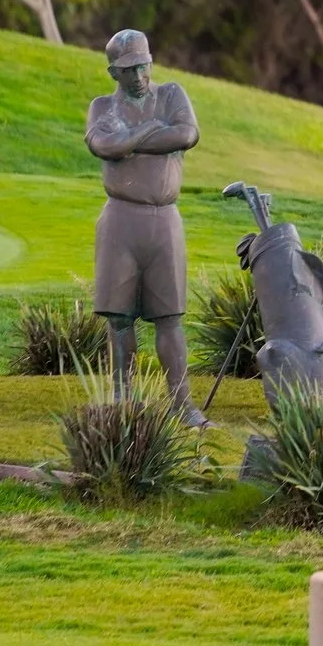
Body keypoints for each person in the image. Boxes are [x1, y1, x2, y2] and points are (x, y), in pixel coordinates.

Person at [85, 29, 205, 424]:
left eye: (143, 65)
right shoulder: (103, 106)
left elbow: (186, 134)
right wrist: (150, 133)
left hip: (163, 219)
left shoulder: (171, 95)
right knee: (119, 318)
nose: (138, 75)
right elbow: (103, 145)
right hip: (121, 219)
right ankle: (124, 400)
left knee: (169, 317)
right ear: (113, 73)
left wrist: (129, 140)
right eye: (128, 69)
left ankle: (182, 404)